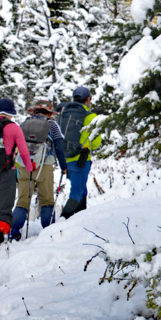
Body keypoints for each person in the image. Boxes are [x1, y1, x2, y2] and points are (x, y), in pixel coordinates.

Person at [0, 98, 35, 250]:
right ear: (11, 113)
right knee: (5, 210)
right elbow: (23, 151)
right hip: (6, 172)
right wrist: (29, 168)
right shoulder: (14, 128)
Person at [11, 100, 68, 239]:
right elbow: (59, 146)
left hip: (24, 165)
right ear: (49, 113)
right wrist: (63, 166)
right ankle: (49, 232)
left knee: (22, 200)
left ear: (35, 111)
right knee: (47, 200)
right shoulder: (52, 125)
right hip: (45, 165)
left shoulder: (24, 124)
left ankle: (14, 232)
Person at [58, 86, 102, 220]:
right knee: (77, 191)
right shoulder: (90, 116)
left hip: (65, 158)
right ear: (88, 99)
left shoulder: (64, 113)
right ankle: (63, 219)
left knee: (81, 188)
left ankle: (80, 218)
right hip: (81, 159)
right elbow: (96, 143)